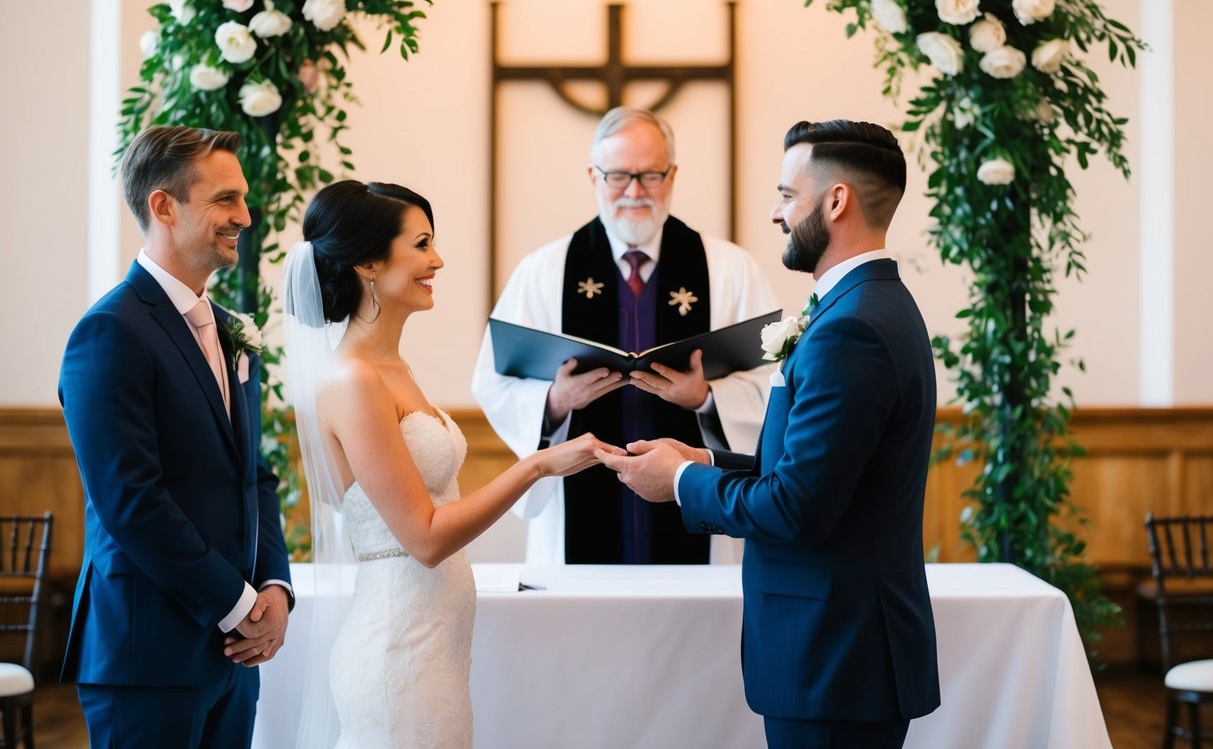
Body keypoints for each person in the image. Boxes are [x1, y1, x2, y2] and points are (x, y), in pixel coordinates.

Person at [597, 119, 941, 748]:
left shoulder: (852, 328)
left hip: (836, 656)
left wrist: (679, 482)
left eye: (787, 195)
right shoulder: (864, 306)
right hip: (840, 652)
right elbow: (815, 471)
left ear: (836, 201)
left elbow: (796, 507)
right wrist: (704, 456)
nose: (775, 213)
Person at [281, 180, 616, 748]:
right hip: (397, 651)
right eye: (422, 244)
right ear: (368, 261)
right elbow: (426, 537)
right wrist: (535, 467)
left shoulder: (392, 366)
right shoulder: (355, 379)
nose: (437, 260)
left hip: (433, 645)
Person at [58, 125, 293, 748]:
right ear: (163, 206)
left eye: (242, 198)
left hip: (232, 659)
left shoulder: (229, 329)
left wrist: (274, 586)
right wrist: (238, 604)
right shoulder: (110, 332)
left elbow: (254, 473)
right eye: (225, 200)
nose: (244, 215)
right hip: (147, 655)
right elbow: (132, 500)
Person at [472, 106, 779, 565]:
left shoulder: (729, 270)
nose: (634, 191)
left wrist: (707, 398)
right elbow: (492, 382)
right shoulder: (544, 272)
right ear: (593, 177)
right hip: (577, 514)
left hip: (694, 515)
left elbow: (776, 381)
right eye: (618, 176)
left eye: (651, 175)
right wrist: (556, 400)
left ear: (672, 176)